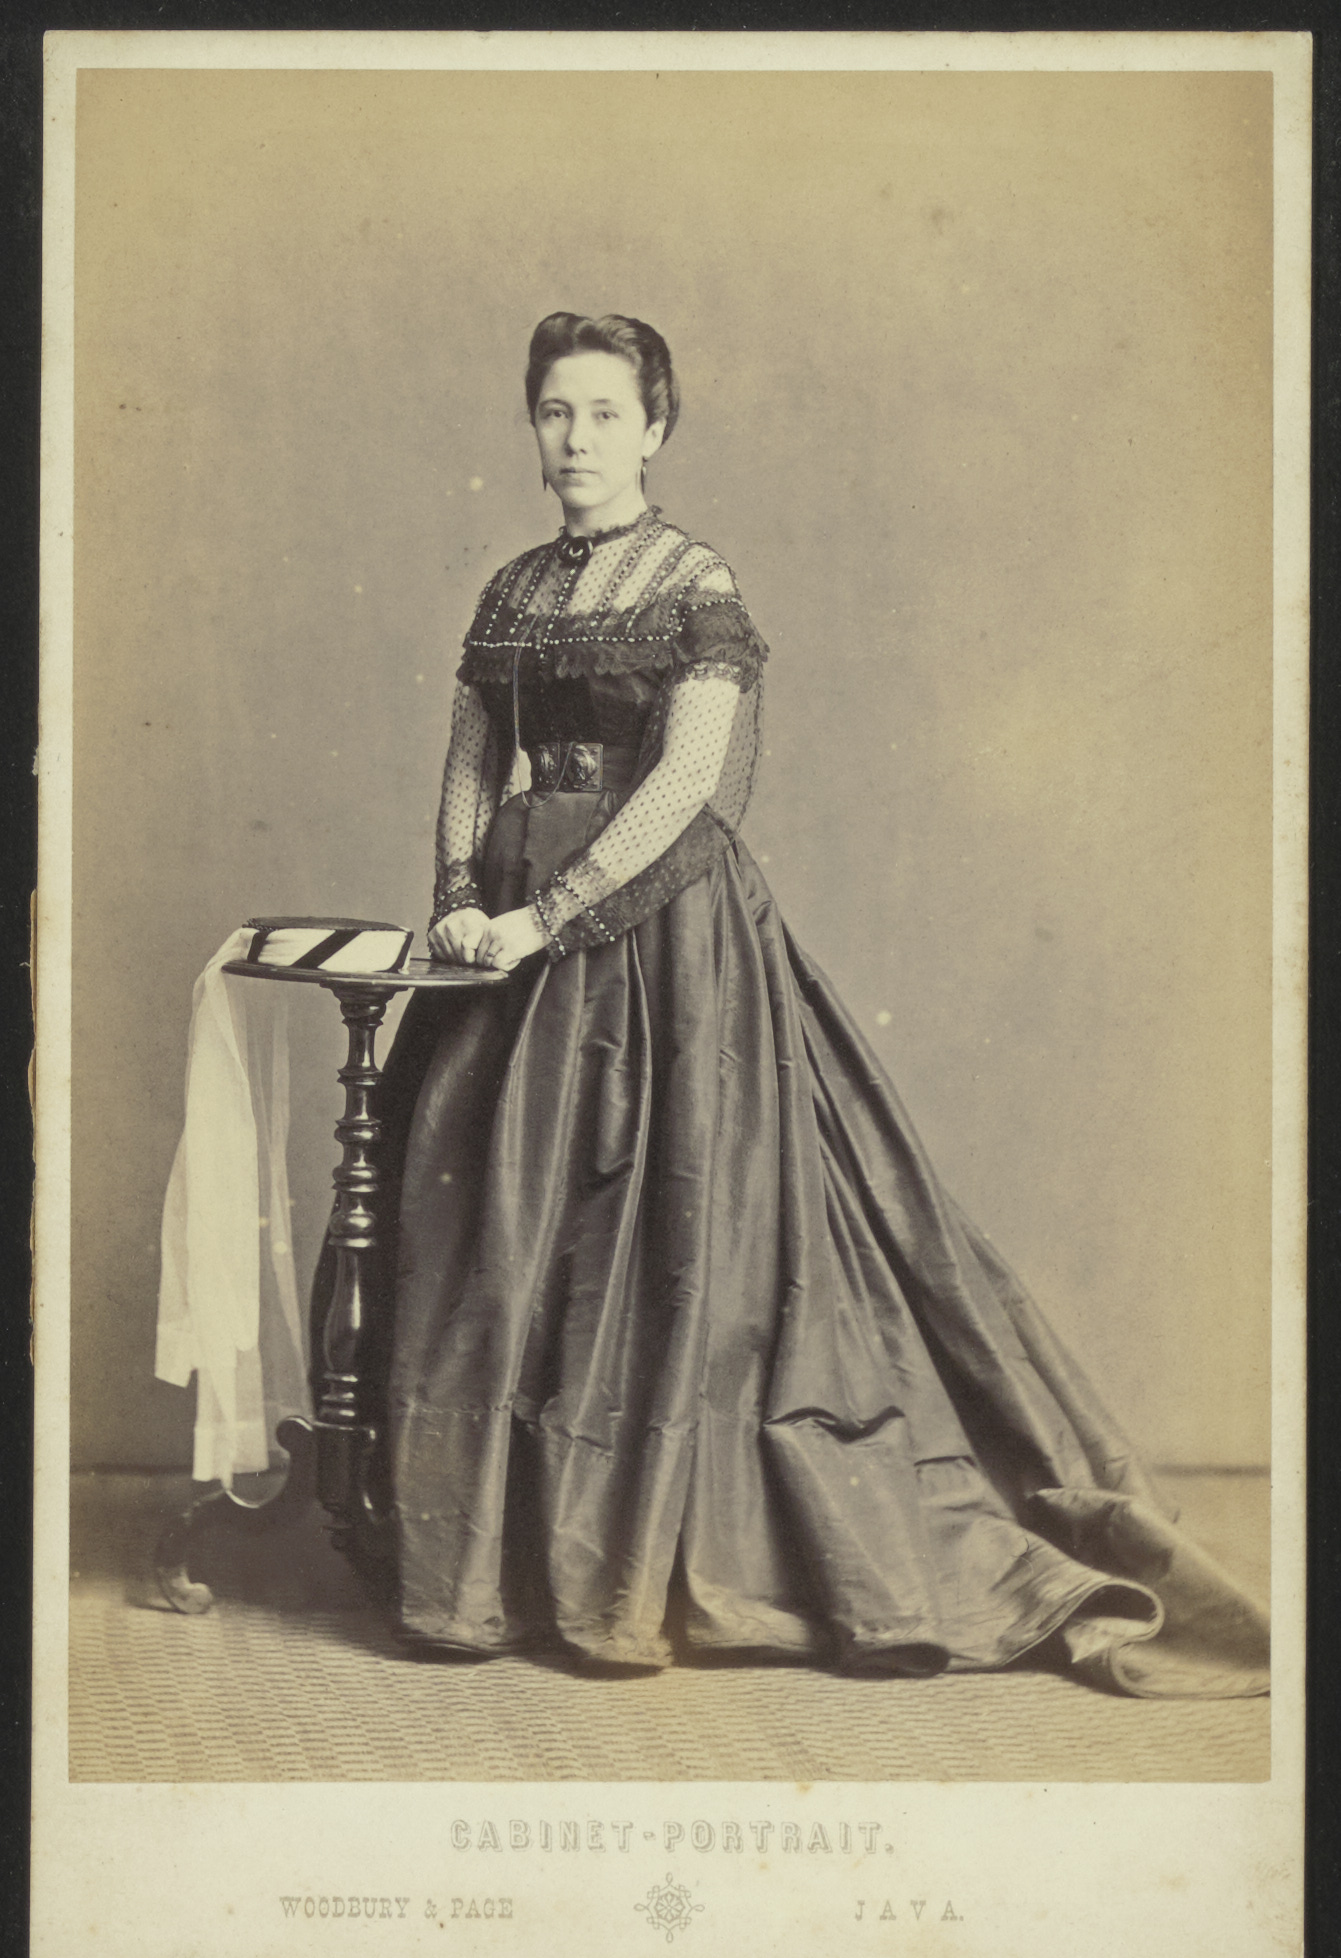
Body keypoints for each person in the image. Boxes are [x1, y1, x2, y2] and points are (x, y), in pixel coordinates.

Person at [356, 311, 1267, 1697]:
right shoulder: (512, 588)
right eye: (554, 411)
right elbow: (473, 761)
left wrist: (549, 912)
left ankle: (634, 1565)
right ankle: (490, 1568)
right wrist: (458, 901)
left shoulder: (696, 581)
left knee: (662, 1233)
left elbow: (688, 784)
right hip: (504, 952)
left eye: (605, 413)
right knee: (497, 1225)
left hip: (659, 939)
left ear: (655, 429)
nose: (576, 439)